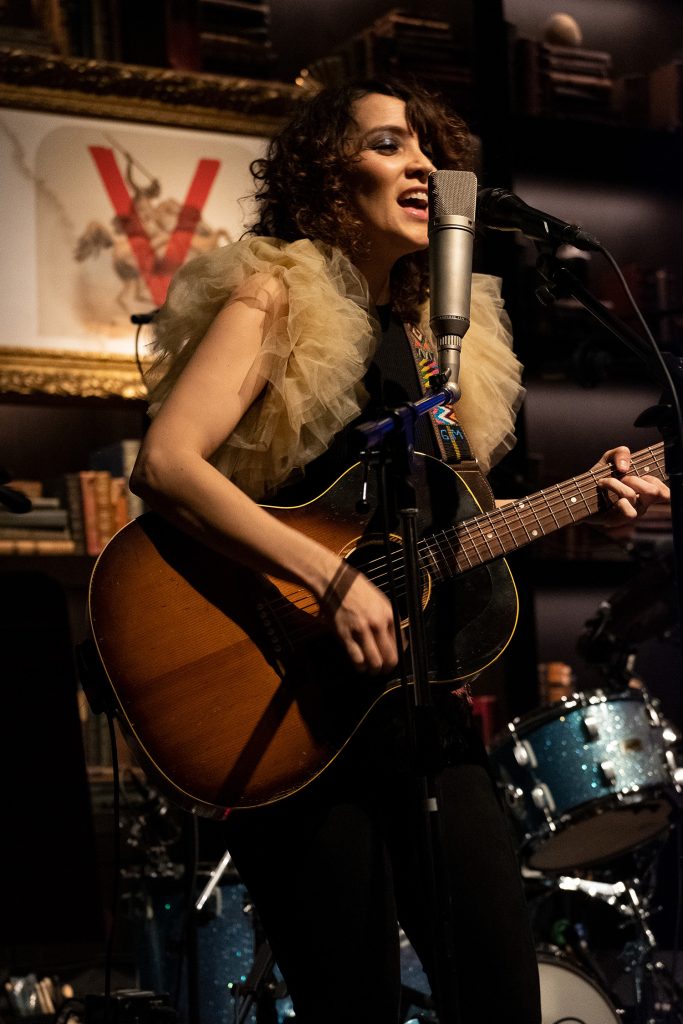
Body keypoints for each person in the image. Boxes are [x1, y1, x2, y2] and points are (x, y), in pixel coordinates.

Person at [130, 77, 670, 1024]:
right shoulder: (276, 293)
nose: (421, 164)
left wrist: (594, 496)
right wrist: (328, 577)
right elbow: (168, 464)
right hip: (290, 708)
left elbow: (457, 521)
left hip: (420, 716)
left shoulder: (438, 336)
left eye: (428, 150)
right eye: (388, 145)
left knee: (500, 995)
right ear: (326, 176)